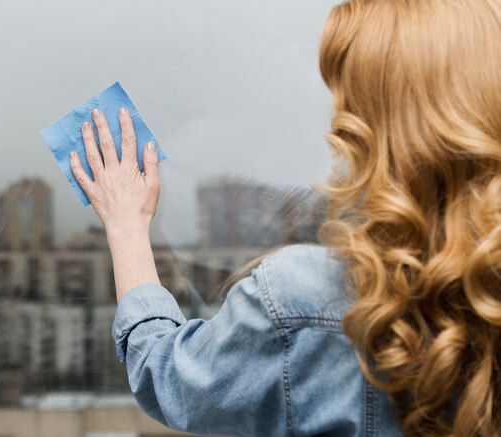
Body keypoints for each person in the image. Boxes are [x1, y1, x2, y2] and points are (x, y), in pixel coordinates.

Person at [67, 0, 501, 435]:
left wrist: (126, 224)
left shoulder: (305, 300)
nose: (335, 118)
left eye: (344, 94)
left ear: (372, 121)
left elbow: (168, 376)